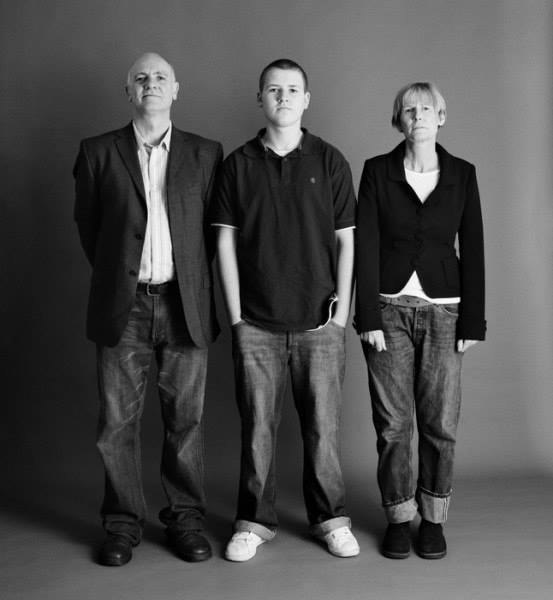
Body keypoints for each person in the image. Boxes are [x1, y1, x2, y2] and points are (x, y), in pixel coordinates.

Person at [73, 53, 222, 566]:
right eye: (141, 78)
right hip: (124, 305)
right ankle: (121, 525)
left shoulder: (206, 153)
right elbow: (90, 227)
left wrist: (188, 281)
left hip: (186, 304)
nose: (150, 83)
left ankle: (186, 521)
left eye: (160, 77)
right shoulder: (97, 152)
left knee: (187, 422)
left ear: (176, 89)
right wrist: (123, 277)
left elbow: (212, 230)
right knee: (117, 423)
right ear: (128, 91)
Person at [211, 59, 359, 562]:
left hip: (321, 322)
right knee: (257, 429)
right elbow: (225, 243)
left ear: (307, 99)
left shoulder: (330, 160)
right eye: (273, 89)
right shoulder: (237, 165)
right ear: (260, 99)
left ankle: (331, 519)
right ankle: (253, 522)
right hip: (255, 323)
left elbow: (347, 241)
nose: (283, 97)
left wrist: (341, 317)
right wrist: (236, 317)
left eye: (293, 89)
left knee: (324, 430)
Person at [355, 82, 486, 559]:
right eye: (409, 110)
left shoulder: (463, 174)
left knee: (440, 424)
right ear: (399, 120)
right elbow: (366, 244)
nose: (418, 116)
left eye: (427, 108)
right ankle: (398, 517)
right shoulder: (376, 171)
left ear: (441, 117)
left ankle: (432, 519)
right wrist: (366, 314)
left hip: (446, 311)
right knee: (393, 426)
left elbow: (474, 245)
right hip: (387, 310)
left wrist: (473, 321)